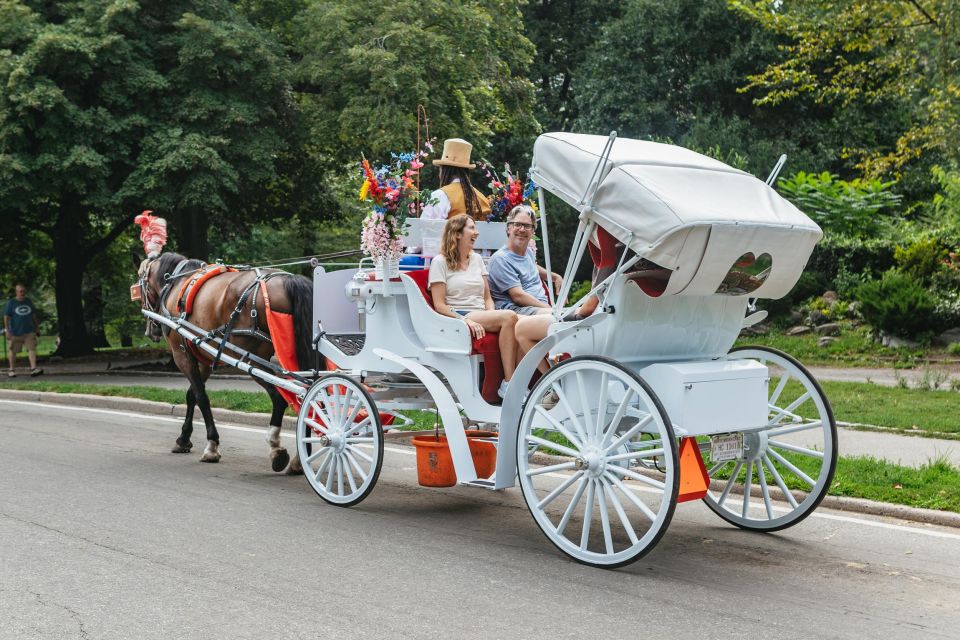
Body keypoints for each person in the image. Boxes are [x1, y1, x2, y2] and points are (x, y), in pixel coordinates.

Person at [428, 214, 518, 398]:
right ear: (457, 234)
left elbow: (487, 297)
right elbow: (439, 305)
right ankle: (509, 384)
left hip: (482, 313)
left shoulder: (476, 259)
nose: (476, 232)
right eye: (471, 228)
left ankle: (533, 380)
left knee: (526, 323)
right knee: (509, 316)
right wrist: (464, 320)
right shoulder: (439, 262)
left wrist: (491, 314)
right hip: (460, 313)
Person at [487, 205, 563, 315]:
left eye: (527, 226)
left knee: (583, 314)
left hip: (539, 310)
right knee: (568, 316)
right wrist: (549, 309)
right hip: (516, 312)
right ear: (509, 228)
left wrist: (555, 277)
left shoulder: (528, 253)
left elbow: (530, 266)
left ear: (532, 231)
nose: (522, 229)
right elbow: (518, 296)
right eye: (517, 225)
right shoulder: (500, 259)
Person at [421, 138, 492, 221]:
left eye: (440, 168)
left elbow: (425, 228)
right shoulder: (482, 198)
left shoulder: (439, 196)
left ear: (444, 170)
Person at [4, 283, 43, 377]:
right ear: (16, 292)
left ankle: (33, 369)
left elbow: (33, 315)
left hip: (29, 331)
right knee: (13, 351)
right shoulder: (11, 303)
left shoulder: (28, 301)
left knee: (32, 349)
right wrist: (7, 330)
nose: (22, 293)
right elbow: (6, 317)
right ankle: (11, 370)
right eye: (20, 291)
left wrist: (37, 327)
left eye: (24, 291)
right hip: (16, 332)